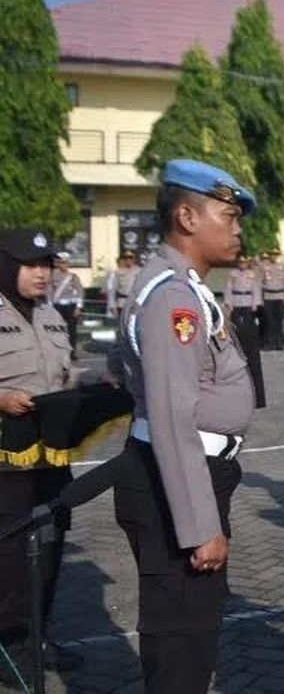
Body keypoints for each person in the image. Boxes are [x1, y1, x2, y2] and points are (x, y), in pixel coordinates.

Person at [109, 159, 256, 693]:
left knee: (191, 632)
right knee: (182, 642)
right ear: (188, 218)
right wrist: (199, 527)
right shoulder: (174, 298)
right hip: (178, 481)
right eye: (228, 215)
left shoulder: (180, 287)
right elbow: (173, 418)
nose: (238, 228)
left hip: (183, 473)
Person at [0, 229, 105, 678]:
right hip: (6, 465)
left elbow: (60, 377)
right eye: (31, 265)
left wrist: (91, 382)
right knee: (9, 560)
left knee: (48, 548)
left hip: (51, 459)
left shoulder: (50, 315)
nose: (43, 273)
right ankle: (10, 646)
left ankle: (38, 636)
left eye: (47, 264)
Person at [50, 253, 85, 359]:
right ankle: (57, 352)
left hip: (70, 307)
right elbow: (49, 292)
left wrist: (79, 307)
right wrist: (49, 307)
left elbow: (79, 292)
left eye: (66, 263)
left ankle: (72, 353)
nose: (64, 265)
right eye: (61, 263)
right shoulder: (52, 276)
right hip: (57, 306)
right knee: (56, 330)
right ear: (58, 264)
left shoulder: (73, 277)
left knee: (72, 331)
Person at [259, 249, 284, 351]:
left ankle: (279, 343)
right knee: (269, 322)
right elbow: (259, 283)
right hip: (268, 296)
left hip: (280, 296)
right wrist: (260, 299)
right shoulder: (264, 267)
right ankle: (270, 343)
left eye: (276, 255)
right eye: (272, 254)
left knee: (279, 321)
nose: (274, 257)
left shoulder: (283, 267)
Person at [223, 254, 261, 337]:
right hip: (236, 301)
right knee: (236, 323)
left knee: (248, 323)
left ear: (247, 263)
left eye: (244, 262)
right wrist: (228, 303)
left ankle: (247, 340)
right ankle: (237, 339)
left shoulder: (252, 273)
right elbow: (228, 289)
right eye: (240, 262)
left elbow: (255, 289)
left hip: (248, 301)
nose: (242, 264)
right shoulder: (232, 273)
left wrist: (255, 304)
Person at [106, 250, 140, 319]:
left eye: (130, 258)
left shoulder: (140, 271)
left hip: (136, 303)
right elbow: (112, 290)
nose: (128, 260)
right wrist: (112, 305)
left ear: (134, 259)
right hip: (122, 303)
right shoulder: (117, 272)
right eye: (126, 258)